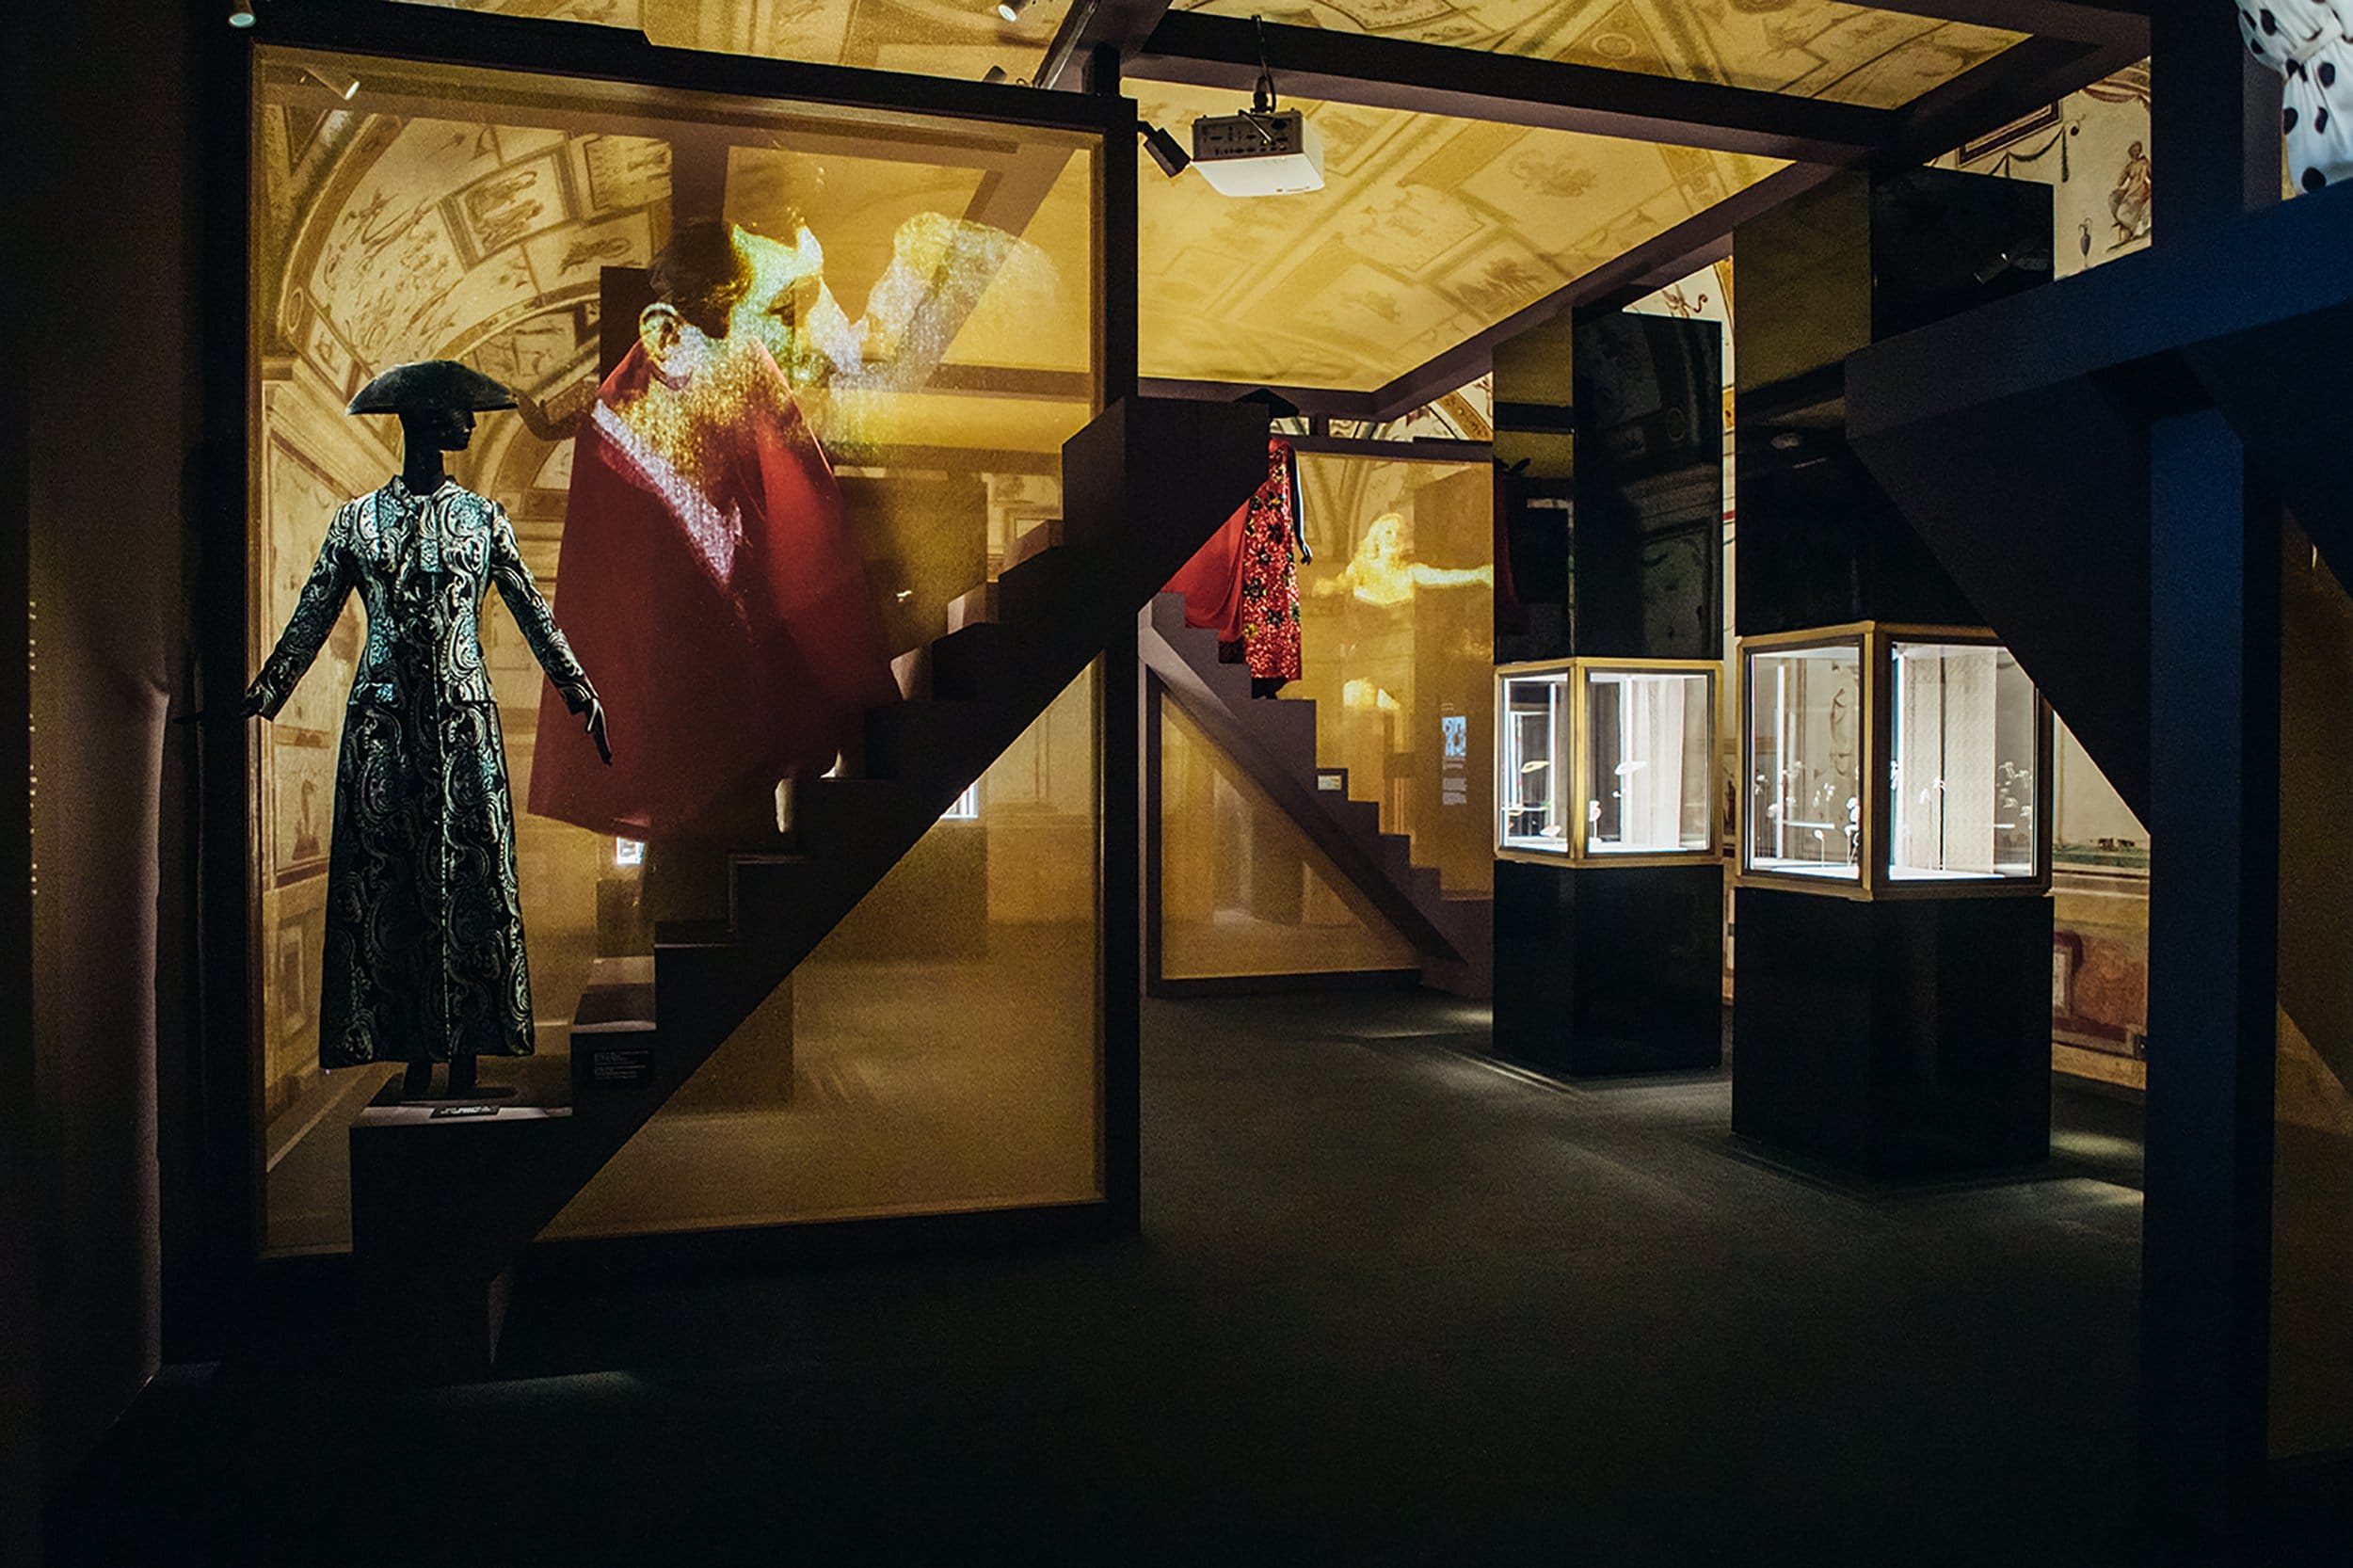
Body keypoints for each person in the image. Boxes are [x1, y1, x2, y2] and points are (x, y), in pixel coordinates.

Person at [245, 360, 608, 1096]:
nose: (467, 424)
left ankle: (467, 1054)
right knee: (393, 882)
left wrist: (579, 689)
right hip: (383, 728)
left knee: (469, 878)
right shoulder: (356, 521)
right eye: (454, 413)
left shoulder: (483, 519)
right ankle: (412, 1055)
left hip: (464, 726)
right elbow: (313, 616)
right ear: (419, 419)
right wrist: (264, 691)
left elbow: (535, 614)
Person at [527, 219, 900, 841]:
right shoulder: (656, 362)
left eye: (684, 276)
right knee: (692, 747)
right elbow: (618, 427)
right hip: (682, 595)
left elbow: (790, 470)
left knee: (732, 746)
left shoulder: (739, 358)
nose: (666, 282)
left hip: (732, 588)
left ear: (714, 288)